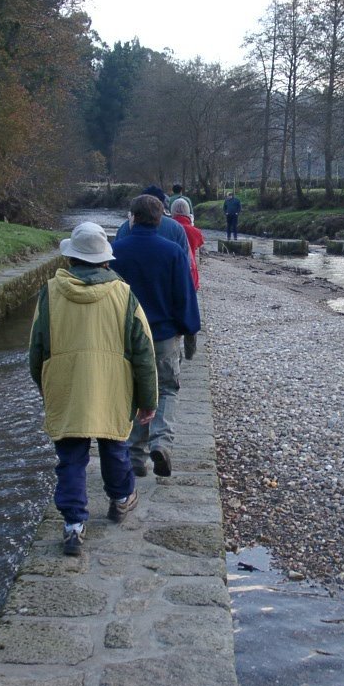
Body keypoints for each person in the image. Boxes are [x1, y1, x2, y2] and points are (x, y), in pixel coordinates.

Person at [29, 221, 158, 557]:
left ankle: (74, 524)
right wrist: (148, 399)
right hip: (112, 384)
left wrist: (45, 387)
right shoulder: (124, 295)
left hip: (67, 383)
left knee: (70, 456)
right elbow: (143, 352)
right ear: (105, 260)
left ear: (71, 257)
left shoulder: (50, 293)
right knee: (114, 445)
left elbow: (37, 348)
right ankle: (120, 498)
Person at [111, 195, 201, 479]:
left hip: (125, 335)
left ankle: (135, 454)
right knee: (167, 388)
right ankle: (161, 442)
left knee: (132, 390)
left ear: (133, 218)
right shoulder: (172, 252)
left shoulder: (115, 252)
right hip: (163, 334)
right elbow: (184, 296)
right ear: (160, 218)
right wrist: (189, 330)